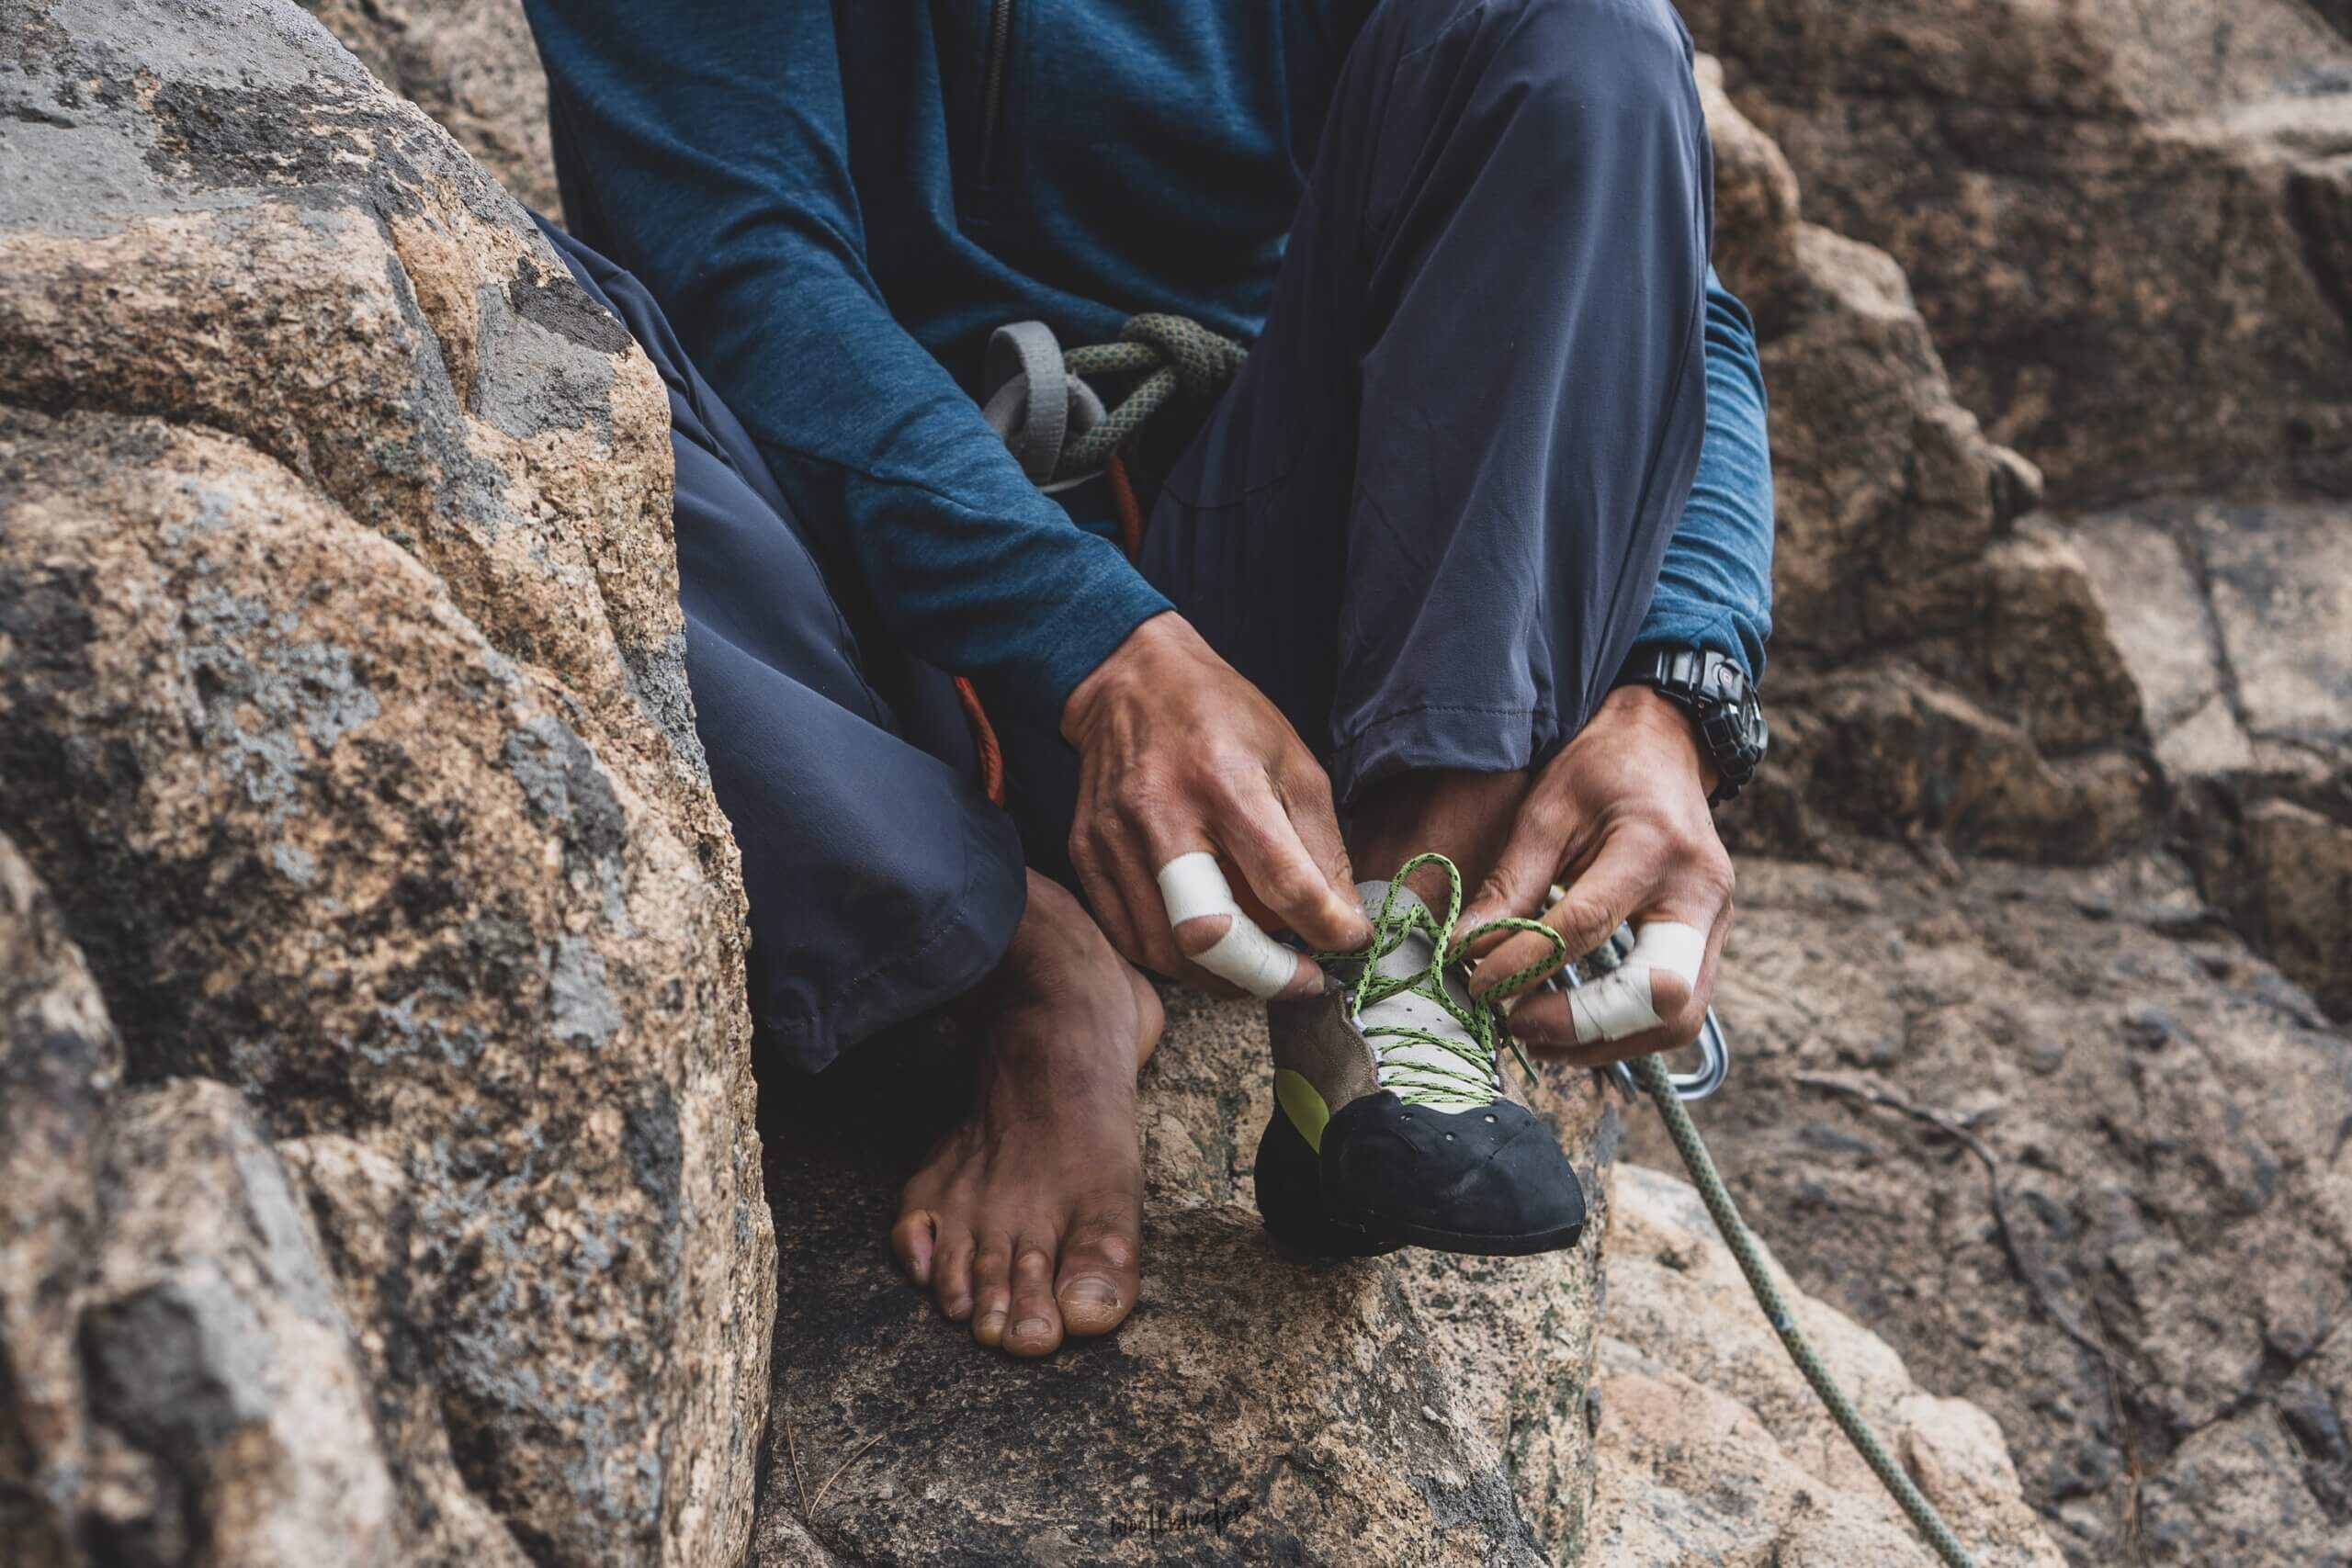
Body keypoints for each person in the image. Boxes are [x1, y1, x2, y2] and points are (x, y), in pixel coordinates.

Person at [521, 0, 1773, 1358]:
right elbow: (740, 267)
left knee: (1588, 30)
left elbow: (1657, 289)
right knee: (493, 342)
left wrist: (1674, 689)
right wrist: (1099, 648)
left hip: (1272, 633)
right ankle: (1016, 960)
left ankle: (1390, 957)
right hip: (835, 622)